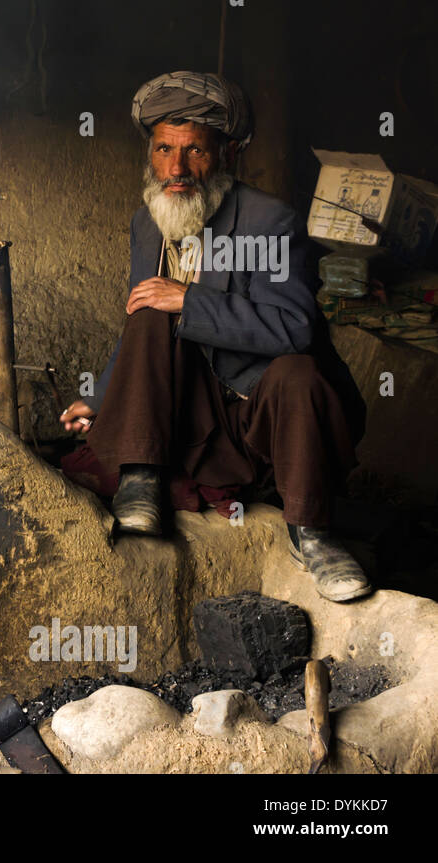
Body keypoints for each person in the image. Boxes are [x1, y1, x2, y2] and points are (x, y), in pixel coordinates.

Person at [58, 72, 371, 603]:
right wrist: (98, 398)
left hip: (261, 417)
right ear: (151, 154)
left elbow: (294, 328)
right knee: (150, 310)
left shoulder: (269, 222)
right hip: (190, 414)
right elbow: (142, 323)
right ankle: (141, 478)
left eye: (194, 151)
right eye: (164, 149)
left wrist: (189, 298)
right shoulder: (147, 222)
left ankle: (311, 531)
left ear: (225, 154)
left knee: (297, 371)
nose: (177, 168)